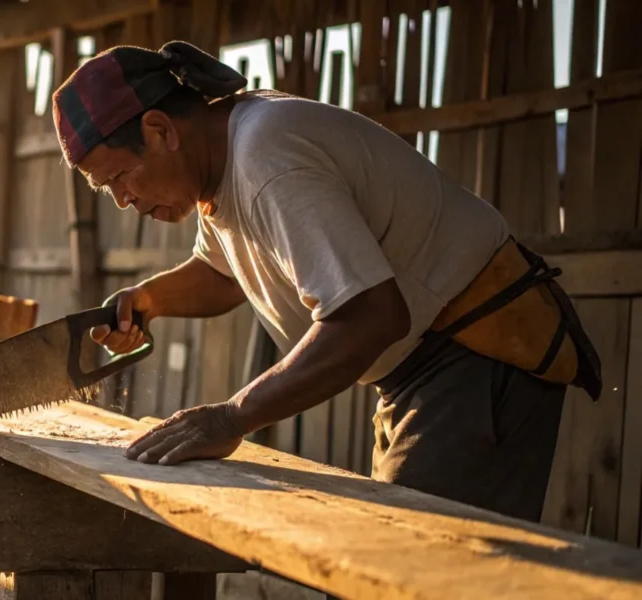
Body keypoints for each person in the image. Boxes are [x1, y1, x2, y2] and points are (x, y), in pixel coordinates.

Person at [50, 41, 601, 522]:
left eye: (120, 177)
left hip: (475, 358)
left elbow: (371, 316)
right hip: (424, 372)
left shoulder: (267, 158)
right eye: (108, 190)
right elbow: (226, 275)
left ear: (160, 129)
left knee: (419, 574)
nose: (123, 200)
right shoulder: (223, 168)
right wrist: (149, 300)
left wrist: (233, 416)